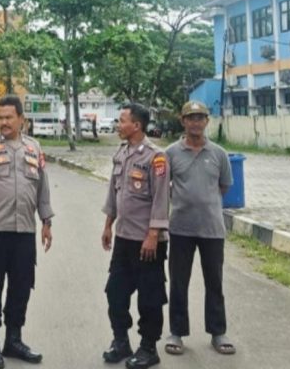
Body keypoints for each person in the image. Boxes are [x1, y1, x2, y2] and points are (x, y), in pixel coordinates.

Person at [0, 94, 54, 369]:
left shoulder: (34, 147)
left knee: (21, 288)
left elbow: (42, 187)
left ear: (21, 119)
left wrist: (46, 221)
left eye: (8, 117)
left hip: (24, 231)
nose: (3, 122)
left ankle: (13, 340)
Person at [163, 101, 236, 356]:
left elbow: (224, 186)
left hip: (212, 230)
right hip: (180, 229)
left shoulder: (219, 154)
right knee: (178, 283)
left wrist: (205, 201)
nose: (195, 122)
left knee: (214, 282)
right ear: (182, 121)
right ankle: (176, 332)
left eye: (200, 118)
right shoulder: (171, 153)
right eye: (190, 118)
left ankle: (218, 332)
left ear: (207, 121)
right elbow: (163, 187)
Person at [101, 103, 170, 369]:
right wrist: (108, 224)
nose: (118, 125)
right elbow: (114, 192)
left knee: (149, 297)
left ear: (137, 125)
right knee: (115, 292)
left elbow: (161, 198)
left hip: (147, 242)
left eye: (122, 121)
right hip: (124, 238)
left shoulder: (156, 157)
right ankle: (121, 341)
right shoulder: (121, 153)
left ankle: (148, 348)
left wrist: (153, 234)